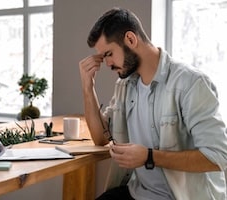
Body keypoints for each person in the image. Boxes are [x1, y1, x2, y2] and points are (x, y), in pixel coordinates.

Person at [79, 7, 227, 200]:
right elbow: (101, 138)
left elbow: (218, 156)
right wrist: (87, 88)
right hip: (139, 193)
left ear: (131, 40)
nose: (107, 64)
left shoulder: (190, 83)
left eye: (108, 54)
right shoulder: (124, 85)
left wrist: (149, 157)